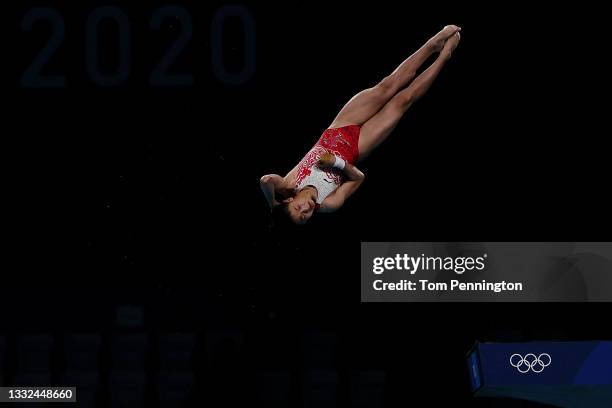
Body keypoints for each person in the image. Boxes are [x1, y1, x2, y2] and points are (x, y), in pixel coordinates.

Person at [261, 25, 461, 225]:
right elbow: (358, 178)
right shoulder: (328, 204)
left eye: (297, 208)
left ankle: (432, 45)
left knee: (386, 86)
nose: (306, 209)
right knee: (402, 101)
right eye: (305, 216)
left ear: (289, 200)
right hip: (357, 147)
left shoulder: (289, 184)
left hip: (339, 126)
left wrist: (273, 205)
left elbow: (266, 181)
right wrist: (336, 164)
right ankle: (444, 56)